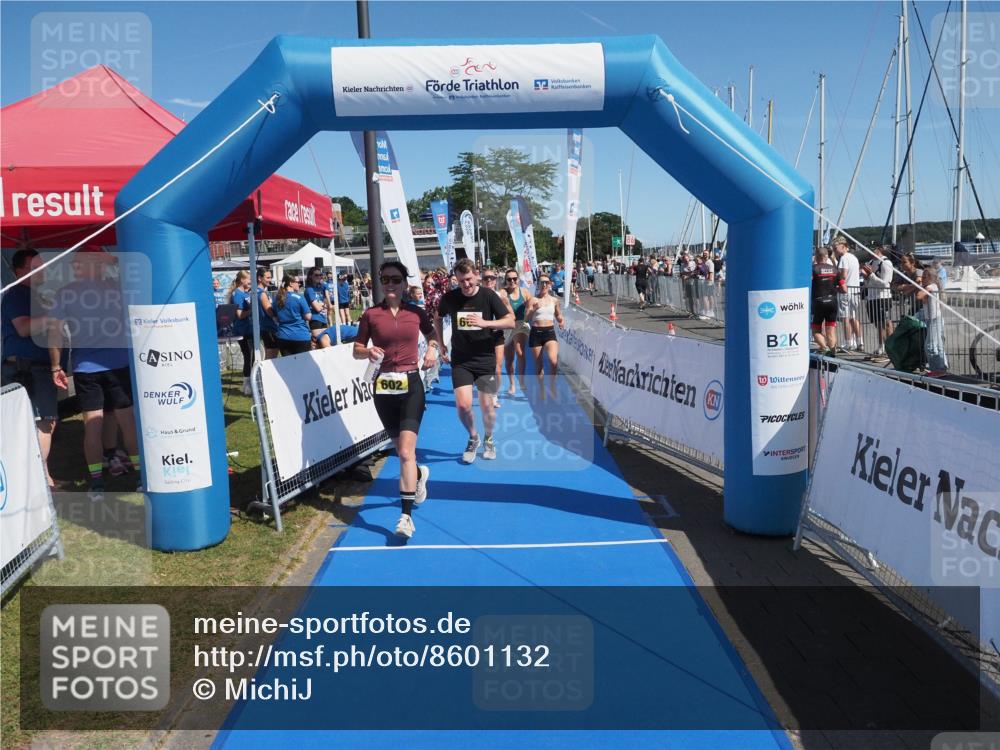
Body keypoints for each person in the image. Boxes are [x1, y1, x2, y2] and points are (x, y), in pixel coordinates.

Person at [49, 249, 141, 500]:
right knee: (127, 421)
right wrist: (112, 262)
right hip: (118, 363)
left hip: (84, 367)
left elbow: (54, 332)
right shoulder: (115, 288)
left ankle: (97, 482)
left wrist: (55, 366)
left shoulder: (65, 293)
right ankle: (141, 477)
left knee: (93, 425)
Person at [355, 261, 438, 539]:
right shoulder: (370, 314)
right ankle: (419, 475)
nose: (390, 284)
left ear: (404, 283)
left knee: (404, 452)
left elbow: (433, 337)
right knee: (401, 450)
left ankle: (405, 517)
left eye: (395, 279)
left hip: (411, 383)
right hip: (383, 386)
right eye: (385, 279)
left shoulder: (415, 313)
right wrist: (367, 352)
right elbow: (356, 349)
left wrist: (432, 352)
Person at [434, 257, 514, 463]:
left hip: (485, 358)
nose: (466, 284)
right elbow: (437, 316)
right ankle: (473, 437)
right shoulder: (450, 298)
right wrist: (441, 343)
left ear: (476, 275)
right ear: (456, 280)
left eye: (469, 279)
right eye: (461, 281)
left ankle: (488, 438)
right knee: (463, 405)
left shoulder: (488, 296)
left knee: (487, 406)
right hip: (461, 359)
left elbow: (510, 321)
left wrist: (485, 322)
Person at [1, 249, 61, 487]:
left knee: (40, 422)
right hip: (27, 369)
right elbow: (24, 328)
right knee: (44, 422)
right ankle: (34, 480)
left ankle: (41, 477)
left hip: (34, 367)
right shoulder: (17, 294)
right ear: (19, 272)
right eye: (35, 266)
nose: (43, 270)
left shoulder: (36, 295)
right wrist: (54, 318)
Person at [525, 273, 566, 400]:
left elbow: (558, 315)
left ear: (549, 285)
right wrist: (532, 309)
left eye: (546, 282)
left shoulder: (554, 300)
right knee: (539, 365)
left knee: (553, 361)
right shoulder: (533, 300)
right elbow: (526, 319)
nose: (543, 285)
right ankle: (542, 388)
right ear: (538, 285)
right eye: (541, 282)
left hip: (549, 332)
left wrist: (561, 321)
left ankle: (552, 386)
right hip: (536, 333)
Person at [481, 269, 513, 409]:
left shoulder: (501, 296)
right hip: (481, 335)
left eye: (491, 278)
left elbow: (511, 317)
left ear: (495, 280)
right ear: (481, 281)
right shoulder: (477, 295)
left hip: (497, 334)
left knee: (497, 368)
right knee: (484, 367)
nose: (489, 280)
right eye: (486, 278)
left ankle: (494, 395)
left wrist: (505, 305)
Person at [502, 268, 533, 396]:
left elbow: (533, 304)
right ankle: (512, 383)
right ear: (506, 281)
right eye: (509, 279)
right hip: (507, 326)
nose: (512, 281)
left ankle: (521, 380)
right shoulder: (503, 293)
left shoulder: (524, 292)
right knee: (509, 359)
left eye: (515, 279)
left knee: (520, 352)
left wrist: (530, 308)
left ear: (518, 280)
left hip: (521, 324)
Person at [860, 246, 894, 357]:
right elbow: (869, 283)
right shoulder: (870, 262)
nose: (868, 251)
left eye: (872, 248)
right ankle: (882, 346)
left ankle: (889, 347)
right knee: (878, 324)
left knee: (884, 323)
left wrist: (871, 275)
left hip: (883, 298)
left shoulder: (885, 262)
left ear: (878, 249)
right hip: (871, 297)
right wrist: (866, 277)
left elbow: (885, 284)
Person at [832, 236, 862, 351]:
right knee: (854, 317)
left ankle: (848, 342)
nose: (834, 251)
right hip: (855, 290)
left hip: (846, 290)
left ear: (843, 247)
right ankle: (860, 342)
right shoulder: (854, 257)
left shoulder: (844, 258)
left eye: (836, 248)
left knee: (845, 317)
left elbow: (843, 274)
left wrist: (837, 282)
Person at [916, 271, 948, 376]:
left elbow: (919, 296)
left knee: (929, 346)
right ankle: (941, 368)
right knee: (938, 346)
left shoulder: (931, 286)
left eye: (925, 277)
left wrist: (920, 285)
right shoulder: (929, 287)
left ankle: (937, 370)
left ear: (931, 278)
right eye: (923, 277)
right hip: (931, 319)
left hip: (935, 319)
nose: (923, 279)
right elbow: (923, 298)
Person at [228, 270, 254, 394]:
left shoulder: (245, 293)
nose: (250, 281)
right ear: (242, 280)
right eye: (249, 279)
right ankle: (247, 385)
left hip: (249, 329)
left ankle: (250, 383)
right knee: (248, 356)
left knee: (251, 356)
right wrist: (252, 310)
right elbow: (239, 314)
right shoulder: (237, 294)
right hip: (243, 330)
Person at [273, 273, 312, 356]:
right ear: (291, 283)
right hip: (300, 336)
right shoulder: (299, 297)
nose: (299, 284)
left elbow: (276, 318)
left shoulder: (276, 298)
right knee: (304, 366)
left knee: (288, 367)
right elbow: (308, 316)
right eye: (298, 282)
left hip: (283, 336)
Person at [810, 246, 839, 356]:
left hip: (818, 302)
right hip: (832, 302)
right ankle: (832, 353)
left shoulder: (813, 269)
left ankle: (825, 349)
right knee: (830, 330)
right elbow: (844, 289)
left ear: (816, 257)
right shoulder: (835, 269)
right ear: (826, 257)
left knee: (816, 331)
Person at [304, 266, 331, 349]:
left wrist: (322, 303)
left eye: (320, 275)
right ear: (310, 276)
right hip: (315, 319)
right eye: (316, 275)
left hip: (323, 318)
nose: (319, 277)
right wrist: (323, 304)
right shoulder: (309, 289)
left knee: (325, 345)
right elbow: (317, 308)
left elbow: (327, 304)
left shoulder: (321, 287)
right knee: (319, 346)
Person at [256, 268, 279, 360]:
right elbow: (269, 311)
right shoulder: (261, 293)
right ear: (260, 278)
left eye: (270, 277)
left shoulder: (256, 291)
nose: (270, 280)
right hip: (269, 327)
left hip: (264, 326)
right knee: (272, 355)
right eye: (268, 277)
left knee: (269, 354)